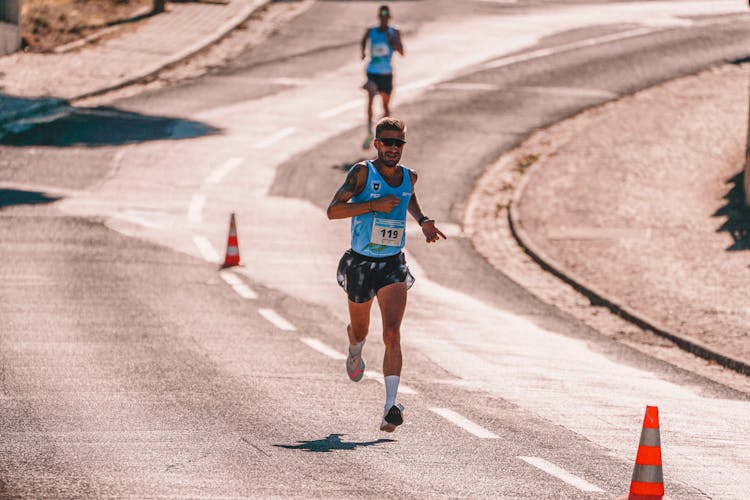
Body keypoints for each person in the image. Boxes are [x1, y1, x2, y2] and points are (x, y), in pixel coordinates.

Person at [326, 117, 446, 432]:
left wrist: (423, 221)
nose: (394, 148)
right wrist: (372, 205)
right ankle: (354, 349)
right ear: (377, 143)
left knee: (392, 334)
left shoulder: (410, 177)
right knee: (361, 330)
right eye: (388, 142)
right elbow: (333, 211)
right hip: (361, 264)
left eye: (399, 143)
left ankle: (390, 406)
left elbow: (409, 198)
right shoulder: (362, 173)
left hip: (392, 264)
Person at [360, 4, 404, 149]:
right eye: (382, 17)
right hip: (372, 72)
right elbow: (363, 40)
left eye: (386, 17)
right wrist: (363, 53)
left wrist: (393, 41)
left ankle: (386, 135)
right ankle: (368, 132)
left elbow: (402, 52)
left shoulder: (393, 32)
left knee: (385, 106)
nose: (384, 20)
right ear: (379, 17)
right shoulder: (371, 31)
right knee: (371, 98)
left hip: (386, 74)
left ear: (389, 18)